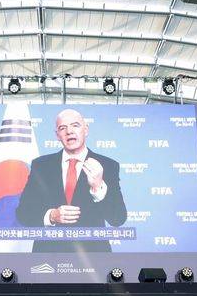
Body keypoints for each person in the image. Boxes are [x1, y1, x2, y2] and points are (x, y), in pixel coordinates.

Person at [16, 108, 127, 252]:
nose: (69, 131)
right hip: (49, 255)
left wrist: (98, 187)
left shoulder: (108, 165)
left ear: (86, 130)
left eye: (75, 125)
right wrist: (51, 216)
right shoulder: (41, 166)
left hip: (93, 255)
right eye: (63, 128)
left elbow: (118, 219)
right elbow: (23, 213)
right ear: (57, 135)